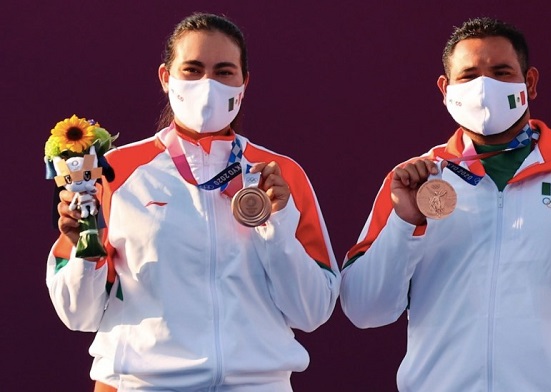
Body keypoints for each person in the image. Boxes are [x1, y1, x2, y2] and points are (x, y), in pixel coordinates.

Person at [339, 16, 551, 391]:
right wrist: (405, 222)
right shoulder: (415, 181)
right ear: (446, 88)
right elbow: (363, 308)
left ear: (529, 82)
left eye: (501, 72)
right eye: (468, 75)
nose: (484, 87)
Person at [46, 12, 340, 392]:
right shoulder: (113, 172)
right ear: (166, 77)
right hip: (141, 384)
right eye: (193, 69)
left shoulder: (280, 175)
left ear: (244, 82)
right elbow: (77, 315)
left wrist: (277, 227)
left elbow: (312, 311)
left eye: (223, 72)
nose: (208, 85)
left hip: (257, 384)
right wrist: (84, 255)